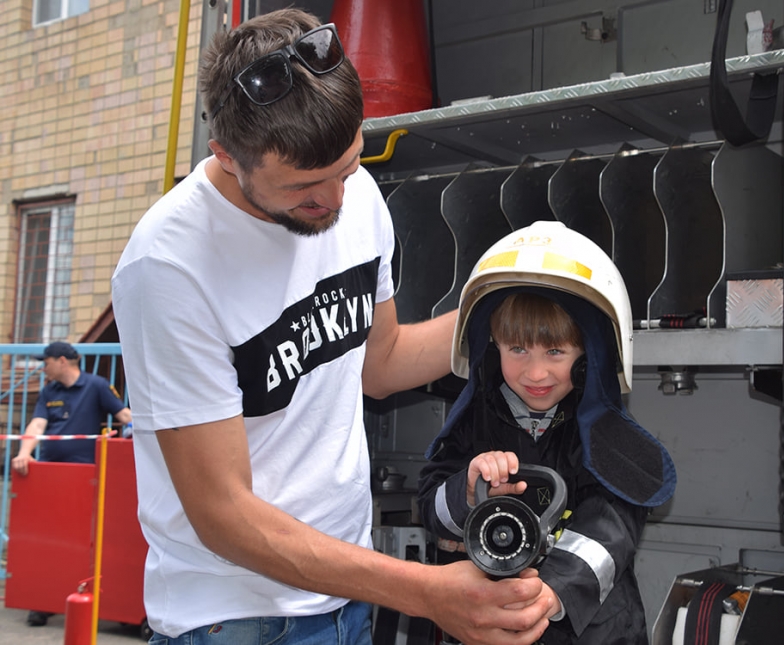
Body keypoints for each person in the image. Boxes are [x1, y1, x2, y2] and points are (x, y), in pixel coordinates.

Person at [110, 7, 552, 645]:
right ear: (227, 158)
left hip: (346, 598)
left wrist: (499, 316)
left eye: (347, 168)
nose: (335, 202)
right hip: (234, 617)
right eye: (305, 188)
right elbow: (222, 514)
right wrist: (426, 592)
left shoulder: (358, 196)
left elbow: (384, 363)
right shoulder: (169, 267)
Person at [417, 221, 677, 644]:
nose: (536, 372)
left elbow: (611, 527)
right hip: (484, 627)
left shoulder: (610, 441)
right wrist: (465, 491)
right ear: (491, 348)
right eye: (517, 349)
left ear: (589, 354)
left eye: (555, 351)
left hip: (589, 632)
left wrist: (547, 592)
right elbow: (430, 506)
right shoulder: (473, 423)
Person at [12, 340, 132, 627]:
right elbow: (37, 425)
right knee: (50, 542)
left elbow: (124, 415)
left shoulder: (97, 385)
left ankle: (97, 601)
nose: (44, 367)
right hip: (51, 477)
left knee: (87, 543)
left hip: (87, 478)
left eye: (47, 362)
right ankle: (45, 602)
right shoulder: (48, 391)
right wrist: (24, 454)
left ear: (62, 361)